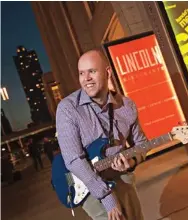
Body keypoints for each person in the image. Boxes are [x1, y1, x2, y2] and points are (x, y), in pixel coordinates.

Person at [56, 49, 147, 220]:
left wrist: (131, 161)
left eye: (92, 71)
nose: (86, 78)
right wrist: (108, 198)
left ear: (107, 73)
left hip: (121, 177)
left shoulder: (126, 106)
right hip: (88, 183)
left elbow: (141, 144)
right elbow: (74, 159)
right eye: (82, 73)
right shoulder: (68, 109)